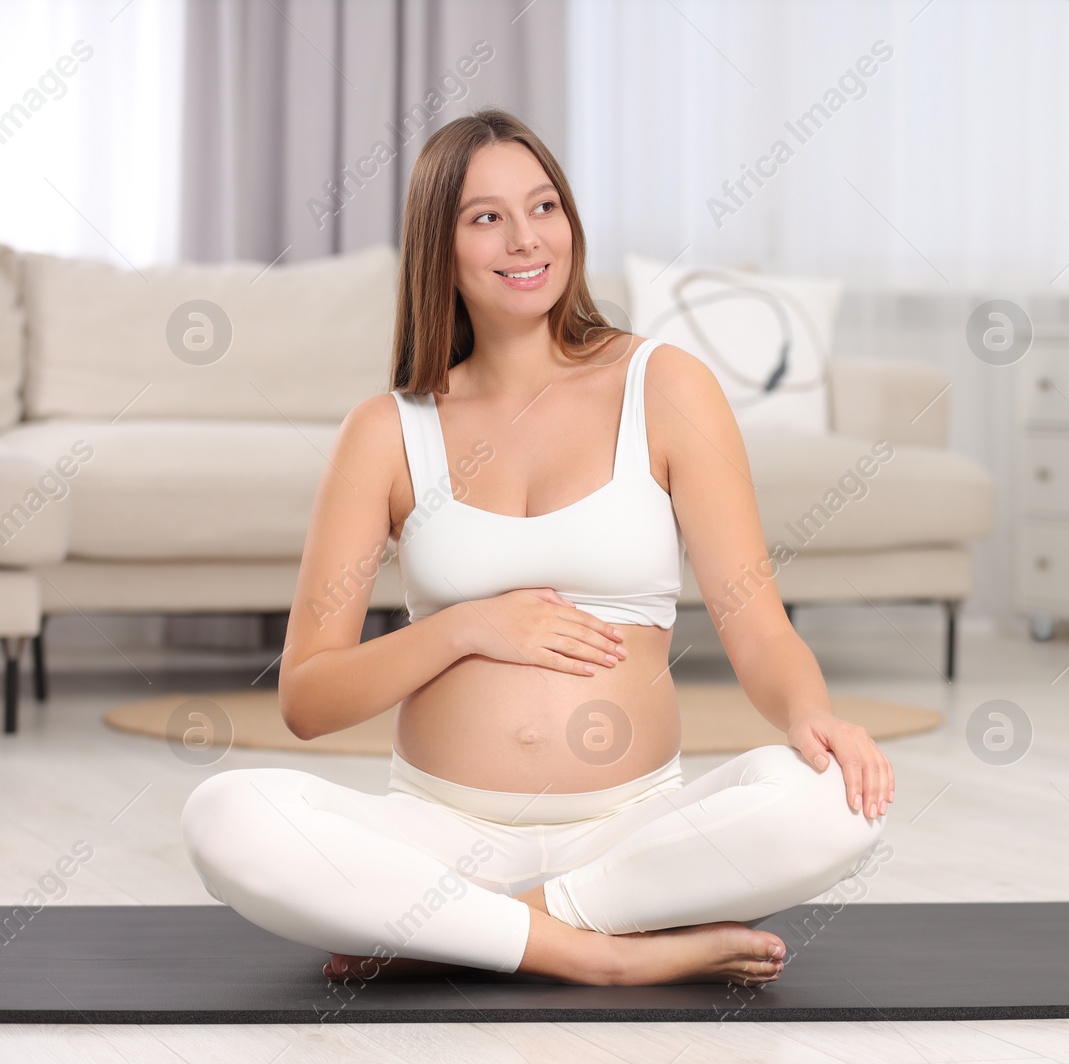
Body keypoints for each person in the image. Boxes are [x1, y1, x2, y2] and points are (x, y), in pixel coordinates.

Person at [179, 107, 893, 988]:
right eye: (486, 217)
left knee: (838, 803)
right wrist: (466, 627)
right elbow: (308, 697)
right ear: (438, 248)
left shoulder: (663, 386)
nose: (526, 239)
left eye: (544, 206)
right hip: (439, 832)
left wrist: (808, 714)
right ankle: (606, 955)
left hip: (634, 830)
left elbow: (760, 630)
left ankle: (491, 927)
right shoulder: (385, 431)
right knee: (225, 814)